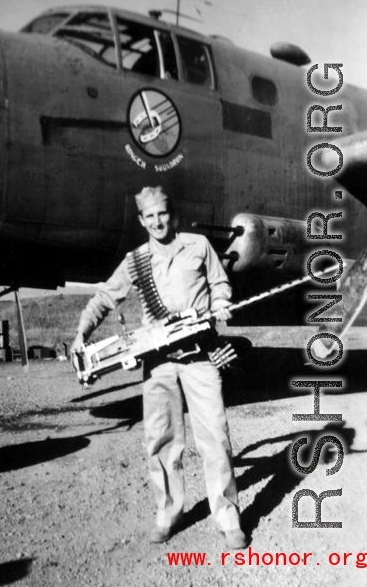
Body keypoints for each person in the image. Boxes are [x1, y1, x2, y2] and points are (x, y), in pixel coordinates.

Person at [71, 186, 246, 548]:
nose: (157, 222)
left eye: (162, 214)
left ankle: (227, 516)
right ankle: (168, 512)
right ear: (141, 220)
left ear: (173, 214)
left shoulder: (197, 246)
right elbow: (106, 298)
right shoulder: (136, 261)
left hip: (200, 357)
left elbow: (219, 283)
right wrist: (80, 333)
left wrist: (223, 303)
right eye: (149, 217)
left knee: (215, 437)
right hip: (158, 364)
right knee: (162, 440)